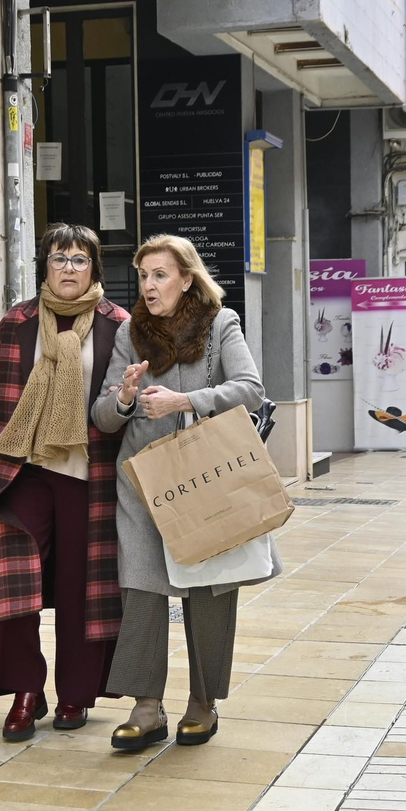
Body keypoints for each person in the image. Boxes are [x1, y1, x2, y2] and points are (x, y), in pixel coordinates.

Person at [92, 234, 271, 751]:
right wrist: (124, 397)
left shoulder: (220, 323)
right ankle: (146, 707)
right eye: (143, 275)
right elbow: (102, 417)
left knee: (209, 588)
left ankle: (202, 701)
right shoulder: (130, 333)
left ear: (186, 279)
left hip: (205, 478)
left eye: (160, 275)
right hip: (144, 482)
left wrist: (184, 400)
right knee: (142, 589)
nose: (149, 286)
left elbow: (251, 389)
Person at [0, 224, 130, 741]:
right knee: (16, 589)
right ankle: (25, 692)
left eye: (79, 259)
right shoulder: (18, 321)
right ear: (45, 265)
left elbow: (126, 405)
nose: (68, 268)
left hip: (92, 477)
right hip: (24, 473)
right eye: (59, 258)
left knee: (82, 590)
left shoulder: (118, 325)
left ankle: (75, 694)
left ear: (94, 268)